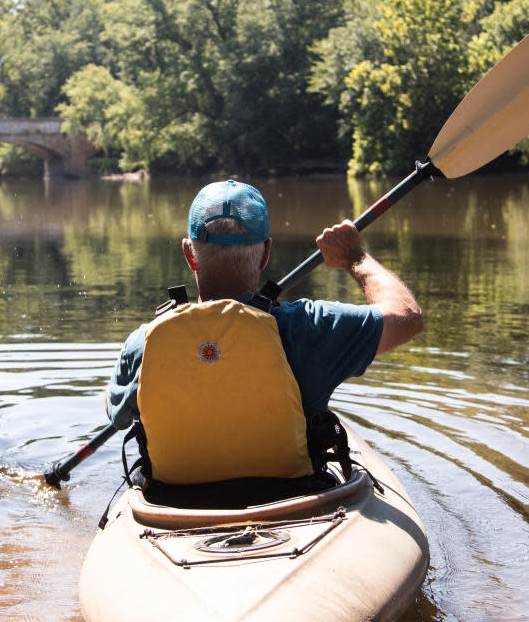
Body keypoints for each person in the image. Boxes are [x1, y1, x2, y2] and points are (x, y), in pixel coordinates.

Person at [105, 179, 423, 504]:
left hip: (172, 505)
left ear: (190, 254)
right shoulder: (309, 329)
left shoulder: (145, 343)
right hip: (293, 500)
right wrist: (356, 257)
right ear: (265, 253)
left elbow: (116, 415)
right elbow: (407, 316)